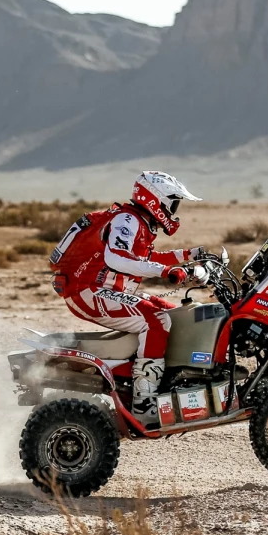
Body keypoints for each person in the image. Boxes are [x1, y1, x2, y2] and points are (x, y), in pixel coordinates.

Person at [48, 171, 207, 419]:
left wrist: (191, 254)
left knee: (174, 312)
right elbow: (118, 258)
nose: (174, 210)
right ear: (157, 199)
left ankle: (164, 380)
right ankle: (144, 403)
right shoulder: (127, 220)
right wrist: (167, 271)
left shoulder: (137, 222)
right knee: (157, 319)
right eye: (173, 203)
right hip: (89, 291)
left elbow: (146, 259)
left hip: (106, 291)